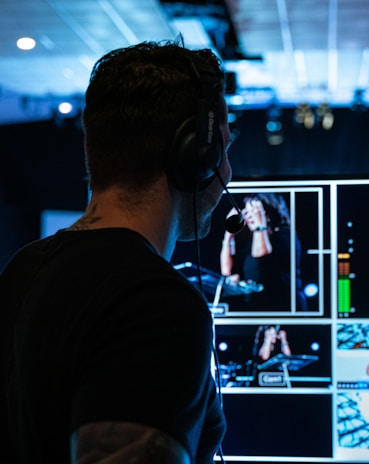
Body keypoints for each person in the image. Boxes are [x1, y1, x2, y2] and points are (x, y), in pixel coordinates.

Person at [0, 40, 232, 464]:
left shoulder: (24, 268)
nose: (226, 171)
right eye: (223, 149)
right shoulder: (157, 303)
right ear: (196, 154)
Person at [220, 193, 307, 311]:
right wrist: (229, 233)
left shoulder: (285, 235)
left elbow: (261, 255)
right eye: (247, 211)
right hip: (257, 305)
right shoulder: (250, 239)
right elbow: (226, 271)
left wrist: (259, 225)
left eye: (254, 211)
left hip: (283, 307)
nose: (249, 216)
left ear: (267, 213)